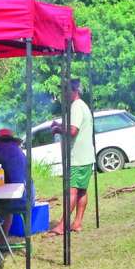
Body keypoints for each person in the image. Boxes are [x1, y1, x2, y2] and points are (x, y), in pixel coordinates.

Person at [47, 79, 95, 236]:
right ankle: (77, 223)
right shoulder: (82, 106)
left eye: (65, 91)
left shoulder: (76, 107)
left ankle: (62, 226)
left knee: (72, 191)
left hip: (77, 157)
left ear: (74, 91)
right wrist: (60, 125)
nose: (63, 94)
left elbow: (73, 130)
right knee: (81, 190)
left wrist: (57, 129)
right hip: (86, 156)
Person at [0, 128, 35, 236]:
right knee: (7, 202)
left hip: (7, 201)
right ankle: (3, 237)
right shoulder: (19, 151)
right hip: (27, 199)